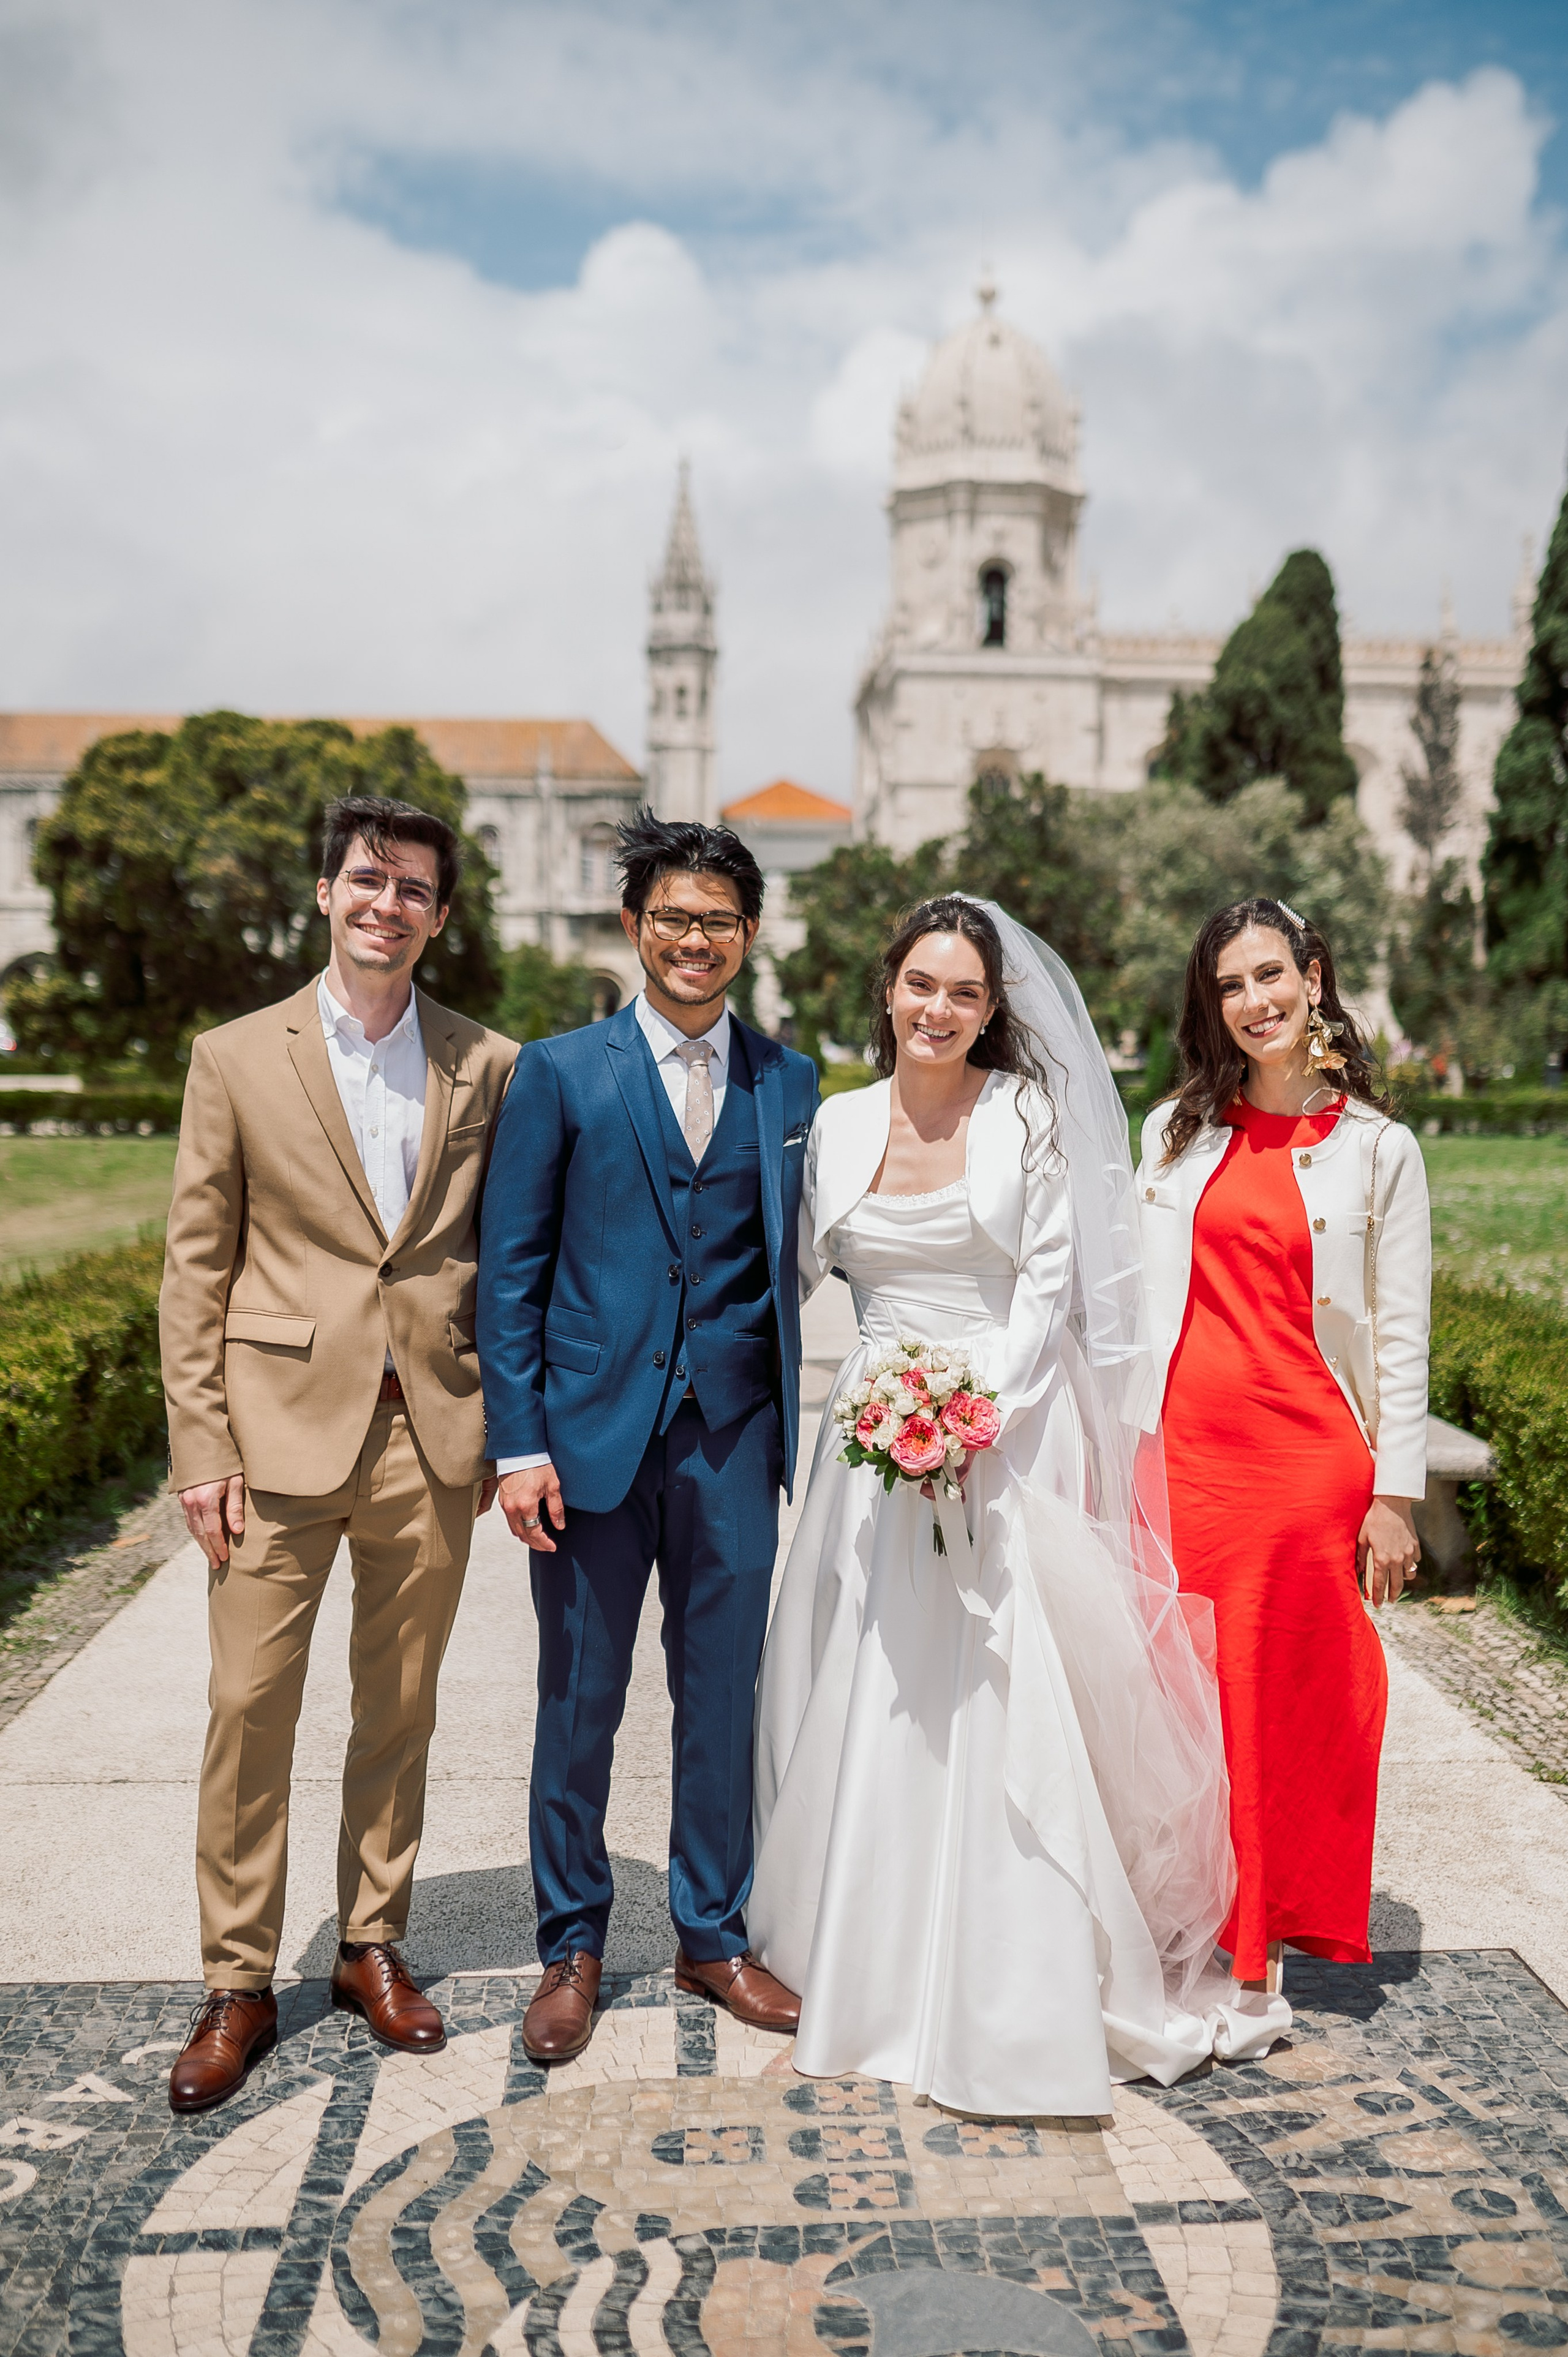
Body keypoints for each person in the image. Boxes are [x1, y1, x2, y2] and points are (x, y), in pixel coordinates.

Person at [750, 896, 1284, 2121]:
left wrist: (965, 1419)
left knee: (986, 1704)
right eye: (919, 985)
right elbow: (789, 1285)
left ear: (993, 1012)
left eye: (964, 993)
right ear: (885, 988)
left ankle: (1000, 1966)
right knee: (858, 1693)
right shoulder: (828, 1127)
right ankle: (849, 1960)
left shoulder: (1026, 1116)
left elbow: (1050, 1288)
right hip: (862, 1458)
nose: (937, 1009)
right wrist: (879, 1421)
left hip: (989, 1443)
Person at [158, 796, 517, 2113]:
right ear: (326, 894)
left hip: (427, 1434)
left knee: (399, 1705)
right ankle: (238, 1977)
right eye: (368, 879)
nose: (388, 903)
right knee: (250, 1710)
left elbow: (499, 1259)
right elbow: (194, 1268)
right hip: (269, 1442)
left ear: (440, 913)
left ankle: (371, 1942)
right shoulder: (236, 1056)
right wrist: (202, 1442)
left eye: (415, 888)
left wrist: (498, 1421)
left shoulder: (489, 1063)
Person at [477, 809, 819, 2063]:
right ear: (632, 927)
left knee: (721, 1698)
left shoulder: (790, 1082)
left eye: (715, 921)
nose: (692, 939)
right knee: (579, 1699)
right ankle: (570, 1946)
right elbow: (508, 1272)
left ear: (747, 935)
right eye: (670, 917)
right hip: (585, 1442)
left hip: (731, 1435)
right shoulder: (559, 1072)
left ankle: (710, 1935)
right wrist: (518, 1444)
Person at [1136, 896, 1430, 1993]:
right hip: (1184, 1457)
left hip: (1305, 1461)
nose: (1253, 1002)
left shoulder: (1376, 1150)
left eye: (1270, 976)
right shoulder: (1173, 1130)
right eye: (1228, 985)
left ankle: (1261, 1934)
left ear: (1313, 975)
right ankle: (1188, 1914)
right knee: (1182, 1698)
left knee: (1292, 1697)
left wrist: (1395, 1495)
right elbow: (1127, 1300)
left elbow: (1402, 1331)